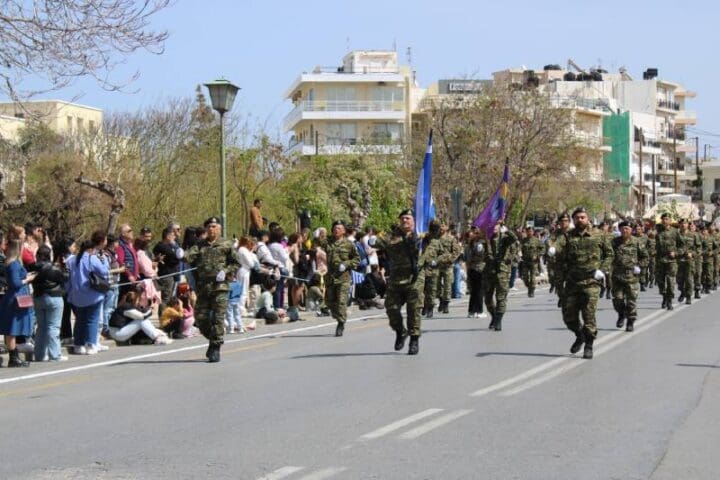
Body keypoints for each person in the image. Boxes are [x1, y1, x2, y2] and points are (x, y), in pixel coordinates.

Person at [184, 216, 241, 363]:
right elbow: (188, 257)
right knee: (200, 318)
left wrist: (227, 271)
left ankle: (215, 347)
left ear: (219, 229)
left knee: (218, 318)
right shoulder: (200, 245)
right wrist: (180, 254)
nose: (211, 229)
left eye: (214, 226)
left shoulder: (226, 244)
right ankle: (214, 339)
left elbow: (236, 263)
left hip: (220, 287)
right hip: (204, 287)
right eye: (209, 226)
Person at [558, 207, 613, 359]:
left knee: (588, 315)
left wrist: (602, 269)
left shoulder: (599, 234)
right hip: (573, 282)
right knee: (568, 317)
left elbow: (609, 254)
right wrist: (552, 249)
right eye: (577, 218)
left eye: (582, 217)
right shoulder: (568, 236)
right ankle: (579, 335)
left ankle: (589, 345)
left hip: (591, 282)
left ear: (588, 218)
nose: (580, 220)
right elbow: (559, 245)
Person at [370, 209, 425, 355]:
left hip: (415, 278)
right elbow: (377, 242)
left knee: (414, 310)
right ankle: (401, 331)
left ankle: (414, 339)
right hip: (396, 278)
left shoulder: (421, 236)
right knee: (391, 308)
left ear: (414, 220)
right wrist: (372, 240)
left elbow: (433, 246)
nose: (404, 221)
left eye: (407, 218)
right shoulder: (391, 236)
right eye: (402, 218)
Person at [67, 231, 110, 355]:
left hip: (76, 295)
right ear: (91, 249)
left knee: (79, 320)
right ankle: (91, 344)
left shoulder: (72, 260)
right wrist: (105, 259)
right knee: (92, 319)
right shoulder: (92, 258)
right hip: (92, 295)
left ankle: (78, 345)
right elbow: (104, 271)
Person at [0, 239, 37, 367]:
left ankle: (14, 357)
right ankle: (13, 358)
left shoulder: (11, 263)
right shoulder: (14, 264)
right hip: (15, 300)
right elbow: (15, 283)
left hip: (14, 298)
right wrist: (28, 279)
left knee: (12, 330)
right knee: (12, 330)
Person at [31, 245, 69, 361]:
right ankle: (55, 355)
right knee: (53, 327)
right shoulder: (55, 268)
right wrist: (64, 266)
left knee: (41, 327)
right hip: (54, 297)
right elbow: (65, 278)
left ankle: (39, 355)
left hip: (38, 297)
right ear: (49, 255)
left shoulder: (33, 267)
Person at [324, 220, 360, 336]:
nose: (336, 230)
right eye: (334, 228)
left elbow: (357, 259)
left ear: (344, 231)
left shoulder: (349, 244)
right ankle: (338, 316)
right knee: (330, 302)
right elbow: (317, 242)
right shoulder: (328, 242)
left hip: (343, 278)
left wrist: (346, 264)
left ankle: (341, 323)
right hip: (330, 277)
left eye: (339, 228)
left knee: (341, 302)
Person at [611, 221, 647, 332]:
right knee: (618, 300)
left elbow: (645, 257)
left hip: (631, 276)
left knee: (631, 301)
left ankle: (630, 321)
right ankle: (621, 314)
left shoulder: (637, 242)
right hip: (617, 276)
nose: (624, 231)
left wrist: (639, 266)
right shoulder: (614, 242)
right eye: (622, 228)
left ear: (631, 230)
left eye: (627, 228)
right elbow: (608, 255)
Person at [483, 220, 518, 331]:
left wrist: (504, 226)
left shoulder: (505, 238)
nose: (494, 227)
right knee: (488, 299)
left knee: (501, 297)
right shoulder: (486, 239)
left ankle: (498, 320)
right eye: (492, 225)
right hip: (489, 272)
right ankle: (494, 316)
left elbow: (514, 238)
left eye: (496, 225)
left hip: (502, 272)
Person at [655, 212, 684, 310]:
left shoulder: (675, 232)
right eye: (663, 219)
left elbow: (682, 246)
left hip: (671, 261)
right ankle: (664, 297)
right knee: (660, 283)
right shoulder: (657, 232)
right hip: (660, 260)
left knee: (671, 281)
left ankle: (670, 300)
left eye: (667, 219)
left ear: (670, 221)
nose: (665, 221)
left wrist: (675, 253)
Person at [436, 222, 463, 313]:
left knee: (448, 285)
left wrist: (450, 260)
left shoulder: (451, 238)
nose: (441, 227)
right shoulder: (435, 238)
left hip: (448, 265)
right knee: (437, 285)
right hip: (437, 265)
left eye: (443, 225)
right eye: (440, 226)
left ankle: (446, 304)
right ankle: (441, 301)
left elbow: (456, 251)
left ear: (447, 227)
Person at [466, 226, 488, 319]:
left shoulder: (473, 243)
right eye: (473, 232)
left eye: (474, 232)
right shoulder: (478, 243)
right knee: (478, 290)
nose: (472, 233)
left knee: (475, 290)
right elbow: (480, 253)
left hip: (473, 268)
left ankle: (472, 311)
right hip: (478, 268)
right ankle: (479, 311)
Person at [116, 224, 139, 298]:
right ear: (123, 233)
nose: (132, 232)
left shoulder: (129, 245)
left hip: (133, 279)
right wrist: (129, 275)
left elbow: (134, 260)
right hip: (125, 279)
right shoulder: (120, 245)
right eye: (129, 231)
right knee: (123, 300)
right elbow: (120, 262)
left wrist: (137, 273)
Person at [519, 226, 542, 298]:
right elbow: (519, 248)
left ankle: (531, 290)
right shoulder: (523, 240)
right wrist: (519, 253)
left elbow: (542, 249)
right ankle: (529, 287)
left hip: (533, 261)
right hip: (525, 261)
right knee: (525, 277)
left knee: (532, 278)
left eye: (531, 231)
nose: (529, 233)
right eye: (528, 231)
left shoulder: (536, 240)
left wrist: (538, 255)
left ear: (533, 232)